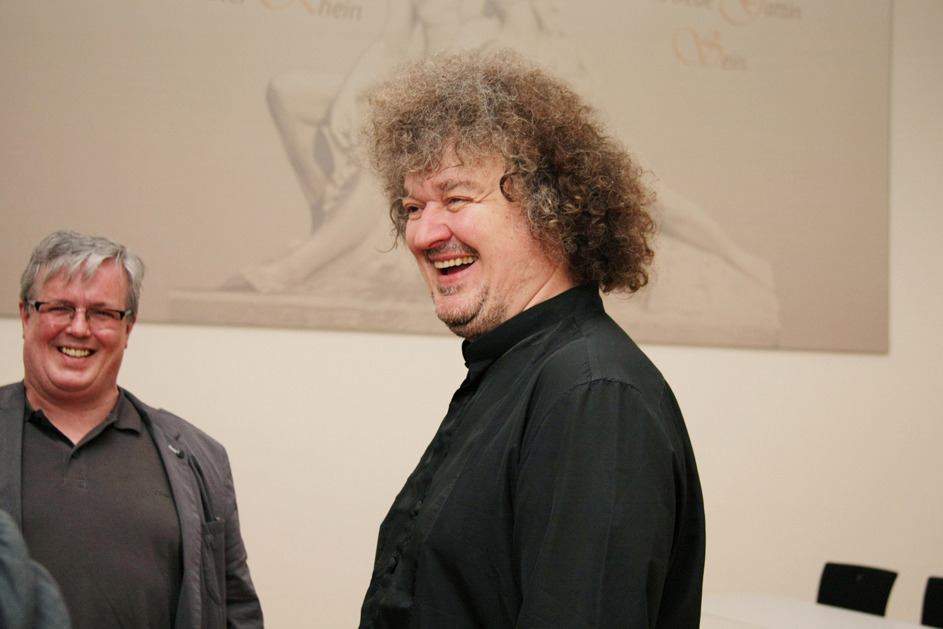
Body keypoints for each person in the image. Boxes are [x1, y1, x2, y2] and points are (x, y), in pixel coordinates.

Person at [356, 49, 706, 628]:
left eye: (456, 198)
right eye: (412, 206)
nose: (422, 233)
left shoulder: (594, 397)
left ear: (551, 207)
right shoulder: (516, 373)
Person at [0, 231, 263, 629]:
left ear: (129, 327)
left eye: (102, 313)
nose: (79, 328)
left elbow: (237, 614)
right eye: (60, 308)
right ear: (25, 316)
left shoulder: (200, 457)